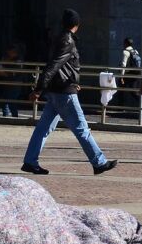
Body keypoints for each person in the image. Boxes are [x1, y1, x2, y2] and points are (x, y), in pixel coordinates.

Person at [22, 9, 117, 175]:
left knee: (43, 128)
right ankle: (99, 162)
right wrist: (38, 89)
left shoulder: (59, 39)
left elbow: (61, 66)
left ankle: (30, 161)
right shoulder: (67, 41)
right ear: (77, 24)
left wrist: (69, 83)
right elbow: (54, 66)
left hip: (57, 90)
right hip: (64, 93)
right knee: (81, 128)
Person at [0, 44, 24, 117]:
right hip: (8, 83)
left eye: (11, 52)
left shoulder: (18, 61)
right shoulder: (7, 58)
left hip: (15, 84)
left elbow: (9, 74)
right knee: (6, 101)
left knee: (10, 102)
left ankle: (12, 117)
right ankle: (8, 117)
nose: (9, 53)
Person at [119, 37, 141, 108]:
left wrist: (121, 76)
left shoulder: (125, 52)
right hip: (136, 73)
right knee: (133, 91)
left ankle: (120, 107)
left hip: (128, 74)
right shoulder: (135, 51)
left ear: (125, 43)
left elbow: (123, 64)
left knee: (120, 89)